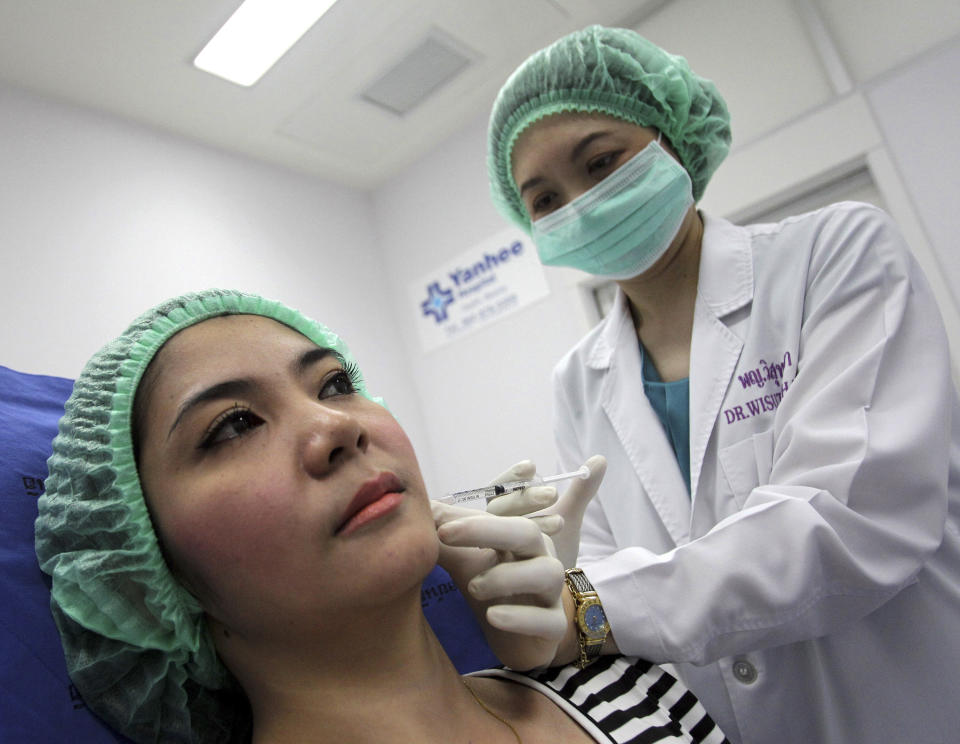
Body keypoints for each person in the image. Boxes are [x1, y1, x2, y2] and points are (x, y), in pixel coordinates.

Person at [449, 24, 960, 744]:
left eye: (600, 161)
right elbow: (599, 566)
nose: (582, 204)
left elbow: (850, 520)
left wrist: (587, 609)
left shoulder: (835, 253)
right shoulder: (578, 380)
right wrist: (543, 574)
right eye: (545, 200)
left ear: (671, 140)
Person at [34, 289, 729, 743]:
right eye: (233, 425)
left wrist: (582, 613)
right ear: (143, 585)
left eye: (335, 383)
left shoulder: (621, 683)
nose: (335, 426)